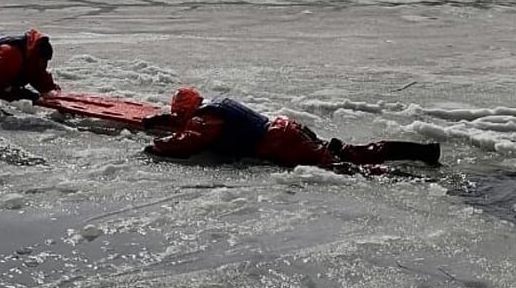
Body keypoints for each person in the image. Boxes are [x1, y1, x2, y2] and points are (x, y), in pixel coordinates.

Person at [142, 87, 441, 170]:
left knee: (343, 167)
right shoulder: (217, 105)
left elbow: (188, 142)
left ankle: (410, 180)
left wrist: (156, 146)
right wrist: (163, 121)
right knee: (348, 152)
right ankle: (423, 152)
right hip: (289, 130)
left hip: (281, 143)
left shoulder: (202, 119)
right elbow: (197, 125)